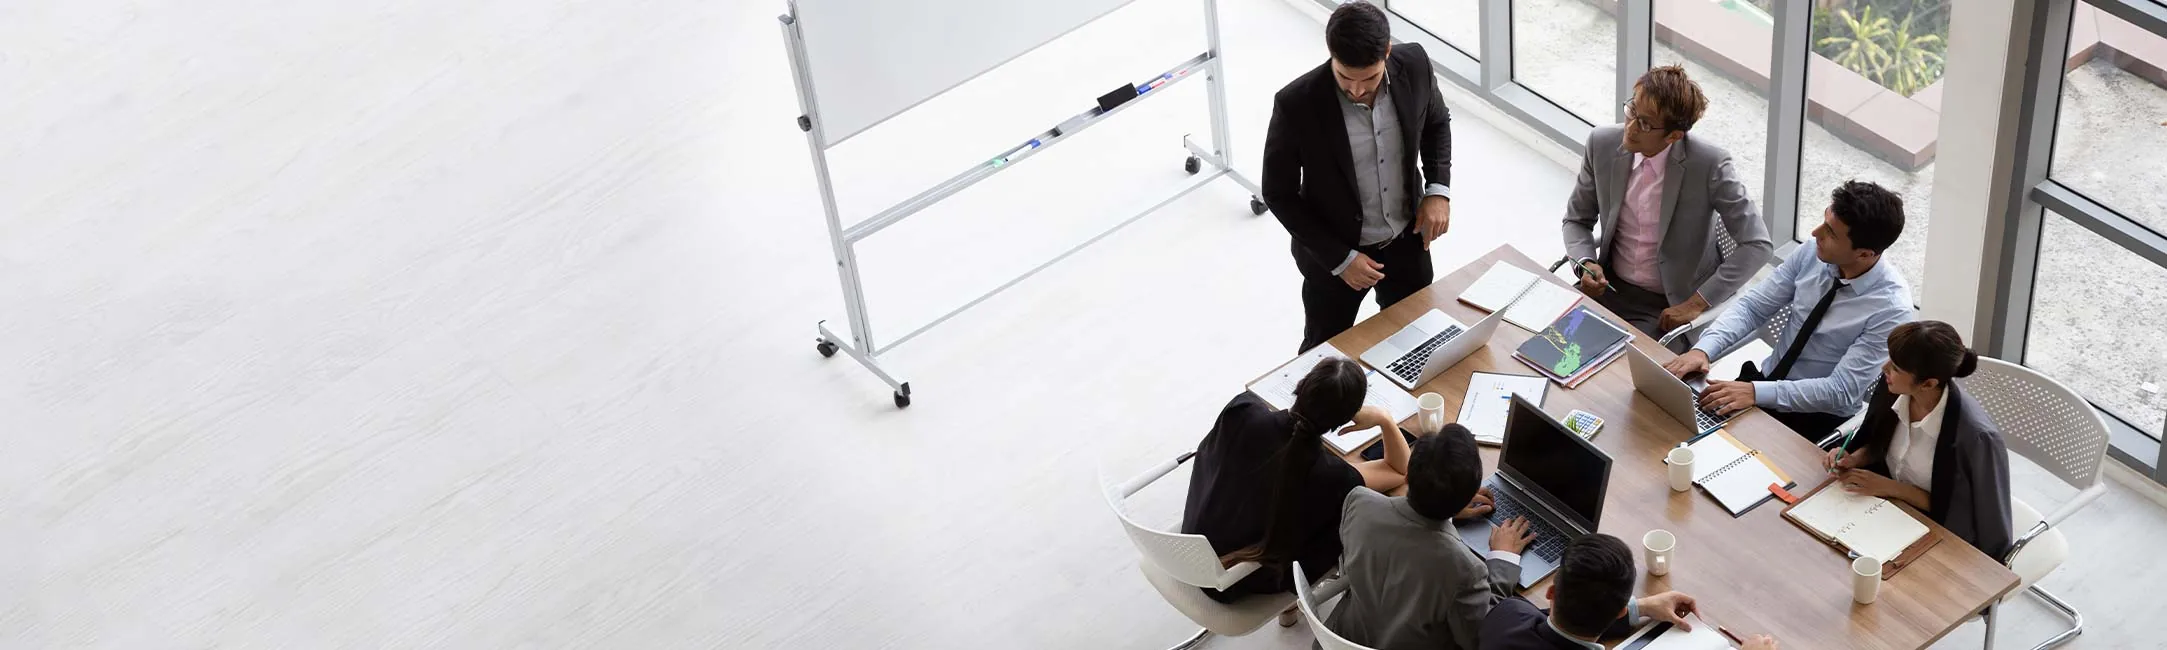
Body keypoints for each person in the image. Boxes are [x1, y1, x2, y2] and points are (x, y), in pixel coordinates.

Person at [1262, 1, 1455, 352]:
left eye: (1369, 78)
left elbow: (1436, 122)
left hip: (1406, 240)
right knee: (1323, 358)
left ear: (1387, 52)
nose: (1356, 89)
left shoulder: (1415, 64)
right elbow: (1278, 193)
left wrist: (1438, 190)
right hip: (1335, 257)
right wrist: (1340, 258)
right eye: (1345, 77)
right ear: (1331, 55)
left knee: (1416, 342)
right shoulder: (1297, 104)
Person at [1665, 180, 1914, 441]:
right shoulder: (1812, 252)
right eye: (1823, 220)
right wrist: (1704, 349)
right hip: (1761, 385)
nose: (1816, 233)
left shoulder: (1892, 310)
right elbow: (1753, 308)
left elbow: (1841, 391)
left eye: (1830, 232)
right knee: (1674, 433)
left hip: (1813, 418)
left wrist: (1755, 393)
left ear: (1865, 254)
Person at [1561, 65, 1772, 346]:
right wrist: (1585, 262)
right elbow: (1576, 220)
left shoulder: (1710, 165)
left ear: (1674, 136)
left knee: (1621, 381)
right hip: (1606, 287)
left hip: (1666, 308)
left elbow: (1758, 245)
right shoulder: (1601, 143)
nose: (1631, 127)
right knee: (1549, 346)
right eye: (1631, 110)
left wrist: (1697, 303)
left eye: (1646, 123)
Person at [1181, 357, 1413, 608]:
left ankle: (1289, 613)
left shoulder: (1242, 411)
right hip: (1234, 582)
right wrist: (1384, 418)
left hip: (1189, 548)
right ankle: (1290, 609)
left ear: (1301, 385)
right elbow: (1399, 469)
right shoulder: (1334, 478)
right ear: (1346, 419)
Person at [1323, 424, 1534, 650]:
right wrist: (1503, 558)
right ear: (1465, 498)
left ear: (1406, 475)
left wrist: (1445, 507)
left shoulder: (1358, 501)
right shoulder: (1465, 569)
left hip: (1340, 637)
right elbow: (1478, 638)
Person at [1824, 321, 2015, 559]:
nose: (1884, 368)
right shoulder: (1893, 388)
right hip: (1882, 510)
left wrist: (1892, 488)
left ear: (1928, 383)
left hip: (1934, 534)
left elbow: (1967, 514)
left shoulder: (1976, 438)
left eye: (1895, 367)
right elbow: (1879, 444)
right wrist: (1853, 458)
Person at [1479, 534, 1779, 650]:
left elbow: (1544, 619)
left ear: (1551, 592)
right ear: (1620, 610)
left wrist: (1643, 607)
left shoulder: (1504, 617)